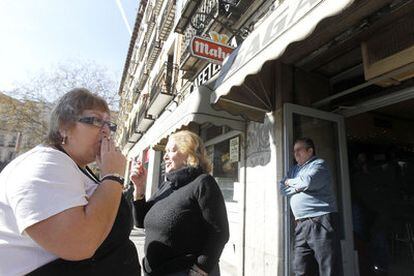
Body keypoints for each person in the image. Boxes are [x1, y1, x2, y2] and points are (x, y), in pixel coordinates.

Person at [0, 88, 141, 275]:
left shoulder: (73, 166)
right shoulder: (44, 163)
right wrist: (113, 176)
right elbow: (79, 244)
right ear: (63, 127)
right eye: (96, 120)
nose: (107, 131)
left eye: (109, 124)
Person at [131, 130, 229, 276]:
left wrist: (201, 268)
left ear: (188, 153)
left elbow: (219, 232)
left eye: (171, 150)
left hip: (182, 271)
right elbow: (140, 222)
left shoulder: (203, 182)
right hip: (153, 270)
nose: (165, 156)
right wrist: (139, 188)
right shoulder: (167, 185)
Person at [279, 137, 342, 276]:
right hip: (301, 223)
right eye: (294, 151)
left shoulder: (319, 164)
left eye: (299, 150)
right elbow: (282, 188)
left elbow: (308, 182)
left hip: (321, 220)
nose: (295, 154)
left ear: (310, 151)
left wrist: (292, 183)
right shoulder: (294, 170)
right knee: (301, 266)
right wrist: (296, 186)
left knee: (328, 267)